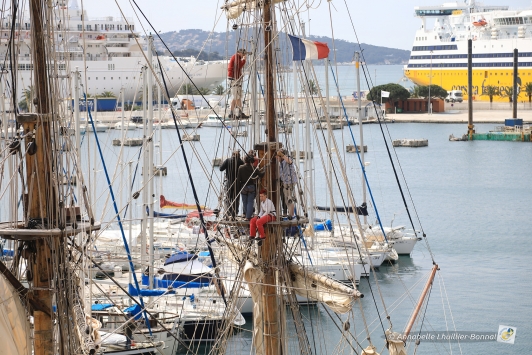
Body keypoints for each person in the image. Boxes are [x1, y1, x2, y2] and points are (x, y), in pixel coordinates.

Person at [237, 154, 264, 220]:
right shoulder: (254, 168)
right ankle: (248, 216)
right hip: (251, 187)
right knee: (250, 202)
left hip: (243, 186)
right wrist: (264, 170)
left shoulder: (241, 167)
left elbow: (238, 179)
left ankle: (247, 215)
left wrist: (238, 188)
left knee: (245, 202)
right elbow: (260, 175)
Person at [220, 150, 244, 219]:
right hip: (237, 182)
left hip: (229, 181)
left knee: (228, 198)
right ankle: (234, 215)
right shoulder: (240, 162)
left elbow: (221, 169)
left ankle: (227, 214)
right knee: (235, 199)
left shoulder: (228, 160)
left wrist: (223, 164)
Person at [227, 48, 249, 119]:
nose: (244, 55)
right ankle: (240, 113)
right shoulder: (236, 57)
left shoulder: (236, 57)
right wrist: (244, 60)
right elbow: (239, 66)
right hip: (234, 80)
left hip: (235, 79)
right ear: (240, 53)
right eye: (244, 54)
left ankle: (232, 113)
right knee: (238, 97)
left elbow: (237, 68)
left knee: (236, 97)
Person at [277, 149, 297, 218]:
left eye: (278, 157)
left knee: (289, 199)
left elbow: (290, 162)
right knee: (286, 199)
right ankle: (290, 213)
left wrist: (282, 155)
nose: (277, 158)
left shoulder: (287, 160)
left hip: (289, 183)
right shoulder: (281, 163)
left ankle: (291, 215)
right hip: (285, 182)